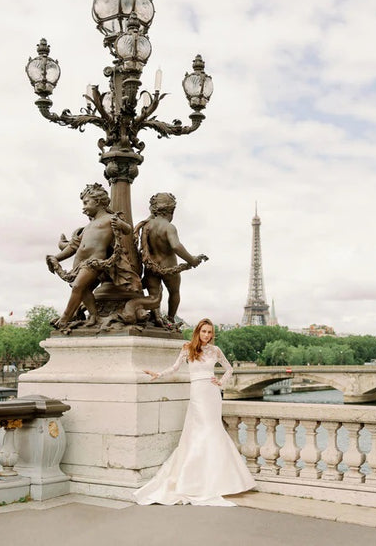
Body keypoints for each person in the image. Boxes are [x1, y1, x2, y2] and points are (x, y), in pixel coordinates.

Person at [134, 318, 256, 506]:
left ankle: (219, 481)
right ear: (197, 332)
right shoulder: (187, 348)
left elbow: (229, 368)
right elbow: (175, 368)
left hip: (212, 393)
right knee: (200, 433)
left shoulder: (216, 351)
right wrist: (158, 374)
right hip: (197, 394)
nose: (207, 335)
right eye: (204, 331)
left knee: (213, 431)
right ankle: (200, 480)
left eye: (210, 332)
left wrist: (221, 382)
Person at [46, 183, 141, 329]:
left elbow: (128, 229)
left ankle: (65, 318)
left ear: (97, 201)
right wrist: (57, 258)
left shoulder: (110, 219)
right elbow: (73, 247)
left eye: (86, 202)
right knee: (84, 290)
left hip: (94, 262)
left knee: (77, 286)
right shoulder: (89, 226)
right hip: (79, 262)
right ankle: (94, 316)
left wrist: (120, 224)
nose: (83, 207)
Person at [134, 193, 207, 325]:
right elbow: (176, 246)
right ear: (171, 211)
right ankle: (170, 318)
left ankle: (156, 317)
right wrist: (192, 260)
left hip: (151, 267)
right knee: (174, 293)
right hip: (169, 267)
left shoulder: (147, 226)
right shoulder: (169, 227)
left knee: (154, 295)